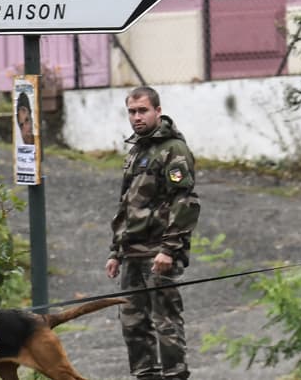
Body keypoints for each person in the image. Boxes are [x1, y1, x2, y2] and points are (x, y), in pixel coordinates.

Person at [106, 86, 201, 380]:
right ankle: (145, 376)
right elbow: (126, 205)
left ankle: (174, 375)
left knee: (165, 322)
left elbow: (184, 202)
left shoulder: (173, 150)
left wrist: (169, 250)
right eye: (132, 112)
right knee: (132, 322)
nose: (137, 117)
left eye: (143, 111)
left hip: (158, 253)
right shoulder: (137, 150)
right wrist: (115, 252)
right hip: (132, 253)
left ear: (158, 112)